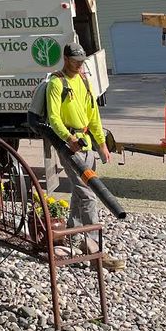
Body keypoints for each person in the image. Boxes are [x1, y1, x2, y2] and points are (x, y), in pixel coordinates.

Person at [46, 42, 126, 271]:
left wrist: (101, 144)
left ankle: (72, 233)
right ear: (66, 59)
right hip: (69, 146)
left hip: (86, 144)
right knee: (88, 194)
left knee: (79, 191)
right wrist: (67, 139)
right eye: (76, 62)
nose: (80, 66)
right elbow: (53, 118)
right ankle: (95, 252)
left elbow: (93, 115)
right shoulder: (56, 83)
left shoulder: (83, 81)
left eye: (82, 62)